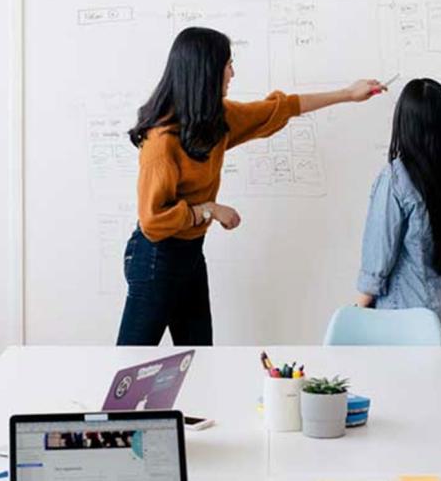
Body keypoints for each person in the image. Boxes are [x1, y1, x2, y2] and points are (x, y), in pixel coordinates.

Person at [118, 26, 385, 346]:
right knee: (132, 365)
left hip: (189, 254)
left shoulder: (214, 120)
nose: (232, 72)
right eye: (227, 64)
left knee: (199, 359)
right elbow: (152, 221)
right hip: (154, 257)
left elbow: (280, 108)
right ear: (205, 71)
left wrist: (347, 94)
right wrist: (209, 210)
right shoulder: (161, 142)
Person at [355, 78, 441, 346]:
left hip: (405, 323)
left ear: (405, 123)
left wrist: (356, 313)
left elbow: (378, 260)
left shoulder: (396, 178)